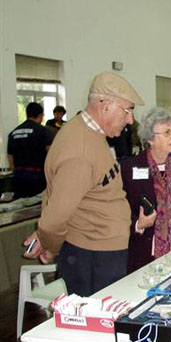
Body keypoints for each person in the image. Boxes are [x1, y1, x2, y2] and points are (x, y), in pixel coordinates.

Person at [23, 72, 144, 296]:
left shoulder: (92, 135)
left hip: (100, 253)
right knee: (95, 326)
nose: (130, 120)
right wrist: (50, 247)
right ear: (105, 105)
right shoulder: (80, 149)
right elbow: (55, 218)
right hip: (92, 257)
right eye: (127, 110)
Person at [121, 108, 171, 273]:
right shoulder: (130, 168)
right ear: (150, 138)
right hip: (143, 255)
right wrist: (137, 224)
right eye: (166, 132)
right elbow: (120, 209)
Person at [7, 102, 54, 198]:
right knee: (37, 206)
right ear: (41, 115)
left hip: (18, 176)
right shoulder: (43, 131)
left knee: (20, 206)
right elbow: (51, 154)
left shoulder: (13, 133)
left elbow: (10, 158)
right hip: (37, 177)